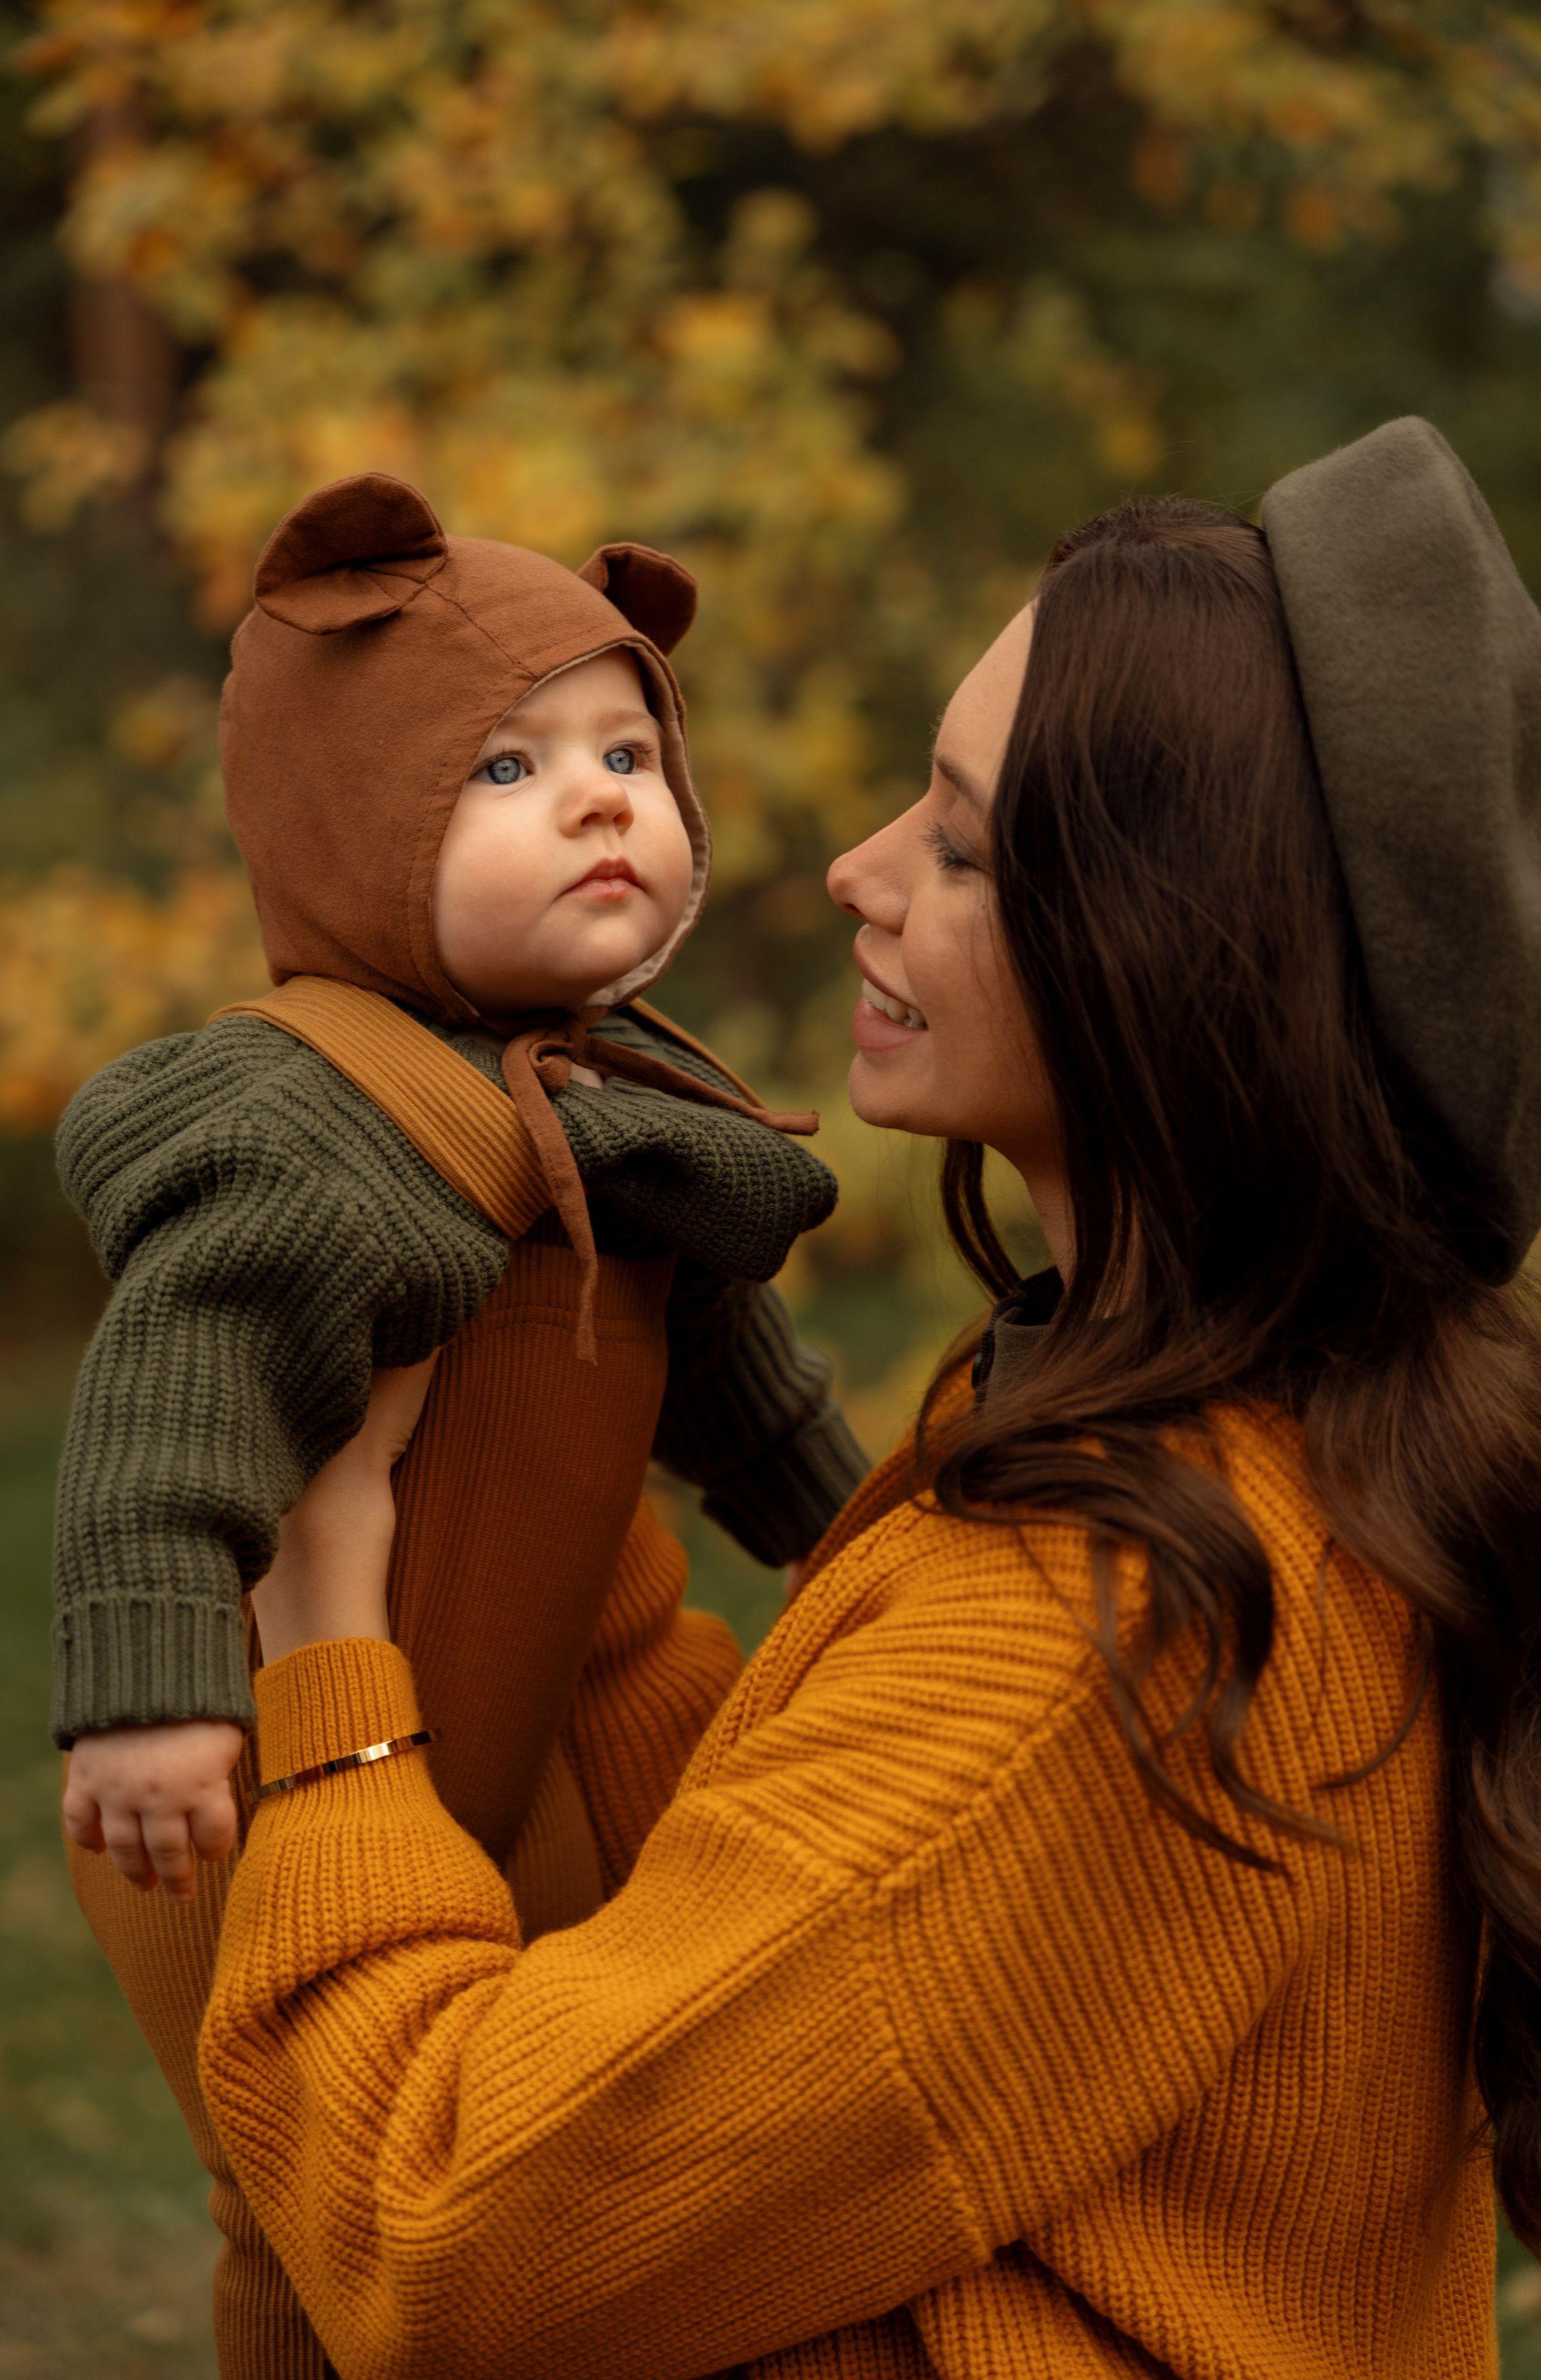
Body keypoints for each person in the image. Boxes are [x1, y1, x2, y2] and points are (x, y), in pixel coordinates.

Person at [195, 418, 1541, 2378]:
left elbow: (450, 2240)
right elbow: (810, 1939)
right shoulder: (1275, 1425)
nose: (853, 872)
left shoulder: (1116, 1617)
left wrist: (333, 1679)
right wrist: (561, 1526)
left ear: (1178, 964)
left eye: (967, 847)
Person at [53, 471, 866, 2377]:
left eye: (626, 754)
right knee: (304, 2189)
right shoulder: (303, 1134)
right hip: (249, 1769)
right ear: (351, 828)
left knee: (623, 2111)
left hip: (552, 1709)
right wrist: (160, 1699)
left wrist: (853, 1536)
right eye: (506, 770)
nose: (602, 798)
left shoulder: (633, 1109)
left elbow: (729, 1385)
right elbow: (168, 1416)